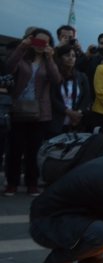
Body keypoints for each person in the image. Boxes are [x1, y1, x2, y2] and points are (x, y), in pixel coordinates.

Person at [4, 28, 62, 197]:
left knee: (34, 151)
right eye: (37, 41)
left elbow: (56, 79)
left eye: (45, 42)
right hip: (18, 109)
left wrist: (50, 57)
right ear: (31, 40)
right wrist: (22, 46)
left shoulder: (49, 60)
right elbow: (9, 67)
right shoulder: (22, 57)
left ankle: (32, 183)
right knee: (14, 149)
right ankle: (12, 183)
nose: (40, 45)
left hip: (40, 112)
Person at [49, 44, 90, 136]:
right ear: (60, 57)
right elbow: (52, 97)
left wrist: (78, 114)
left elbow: (86, 97)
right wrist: (68, 112)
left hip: (75, 121)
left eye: (74, 56)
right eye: (67, 55)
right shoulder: (55, 75)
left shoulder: (81, 76)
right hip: (56, 119)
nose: (71, 58)